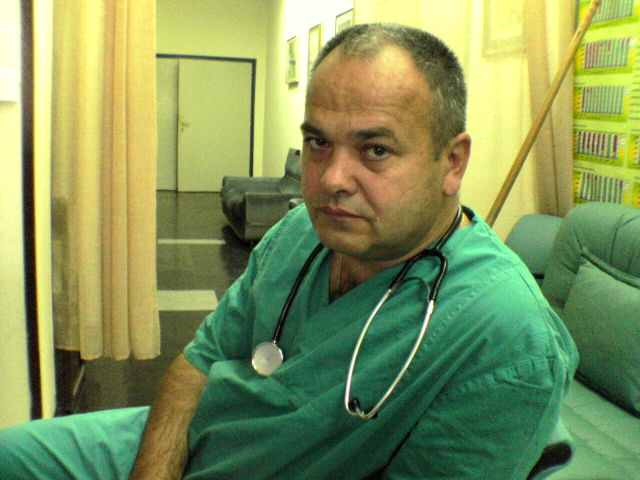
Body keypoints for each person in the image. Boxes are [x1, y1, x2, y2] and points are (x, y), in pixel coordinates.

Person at [0, 23, 578, 479]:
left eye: (375, 150)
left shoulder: (505, 337)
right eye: (318, 142)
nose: (331, 179)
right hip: (202, 434)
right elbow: (199, 363)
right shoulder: (300, 231)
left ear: (452, 161)